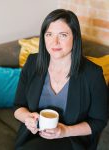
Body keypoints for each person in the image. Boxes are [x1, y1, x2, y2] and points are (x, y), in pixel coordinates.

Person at [14, 9, 108, 150]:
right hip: (32, 135)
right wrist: (27, 118)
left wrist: (64, 131)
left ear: (75, 37)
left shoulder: (92, 74)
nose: (55, 42)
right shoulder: (32, 62)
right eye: (49, 34)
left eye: (63, 35)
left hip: (72, 139)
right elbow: (18, 106)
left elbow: (99, 121)